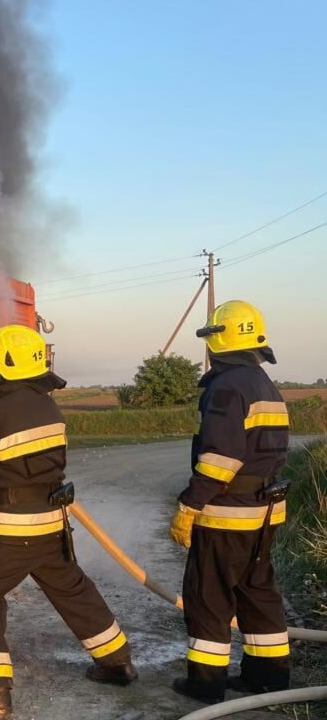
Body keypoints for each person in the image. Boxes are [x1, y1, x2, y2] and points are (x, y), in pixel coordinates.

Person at [0, 324, 137, 720]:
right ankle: (117, 663)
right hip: (52, 521)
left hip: (14, 526)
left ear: (4, 368)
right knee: (72, 589)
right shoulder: (48, 406)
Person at [169, 300, 291, 704]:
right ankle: (268, 678)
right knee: (258, 592)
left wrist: (191, 504)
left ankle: (206, 684)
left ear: (220, 338)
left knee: (209, 596)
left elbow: (222, 457)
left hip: (228, 514)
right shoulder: (262, 383)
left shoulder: (227, 386)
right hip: (265, 510)